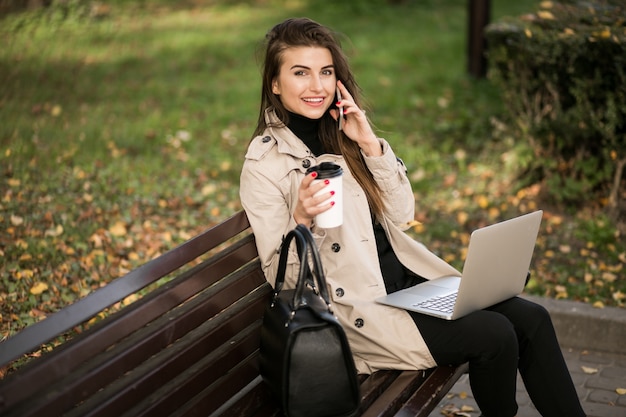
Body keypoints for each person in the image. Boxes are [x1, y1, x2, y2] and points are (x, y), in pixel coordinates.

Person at [239, 17, 586, 417]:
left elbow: (403, 214)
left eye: (326, 72)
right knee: (495, 335)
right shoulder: (265, 165)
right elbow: (281, 276)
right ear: (275, 84)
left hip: (407, 287)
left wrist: (369, 143)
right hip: (358, 313)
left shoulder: (342, 133)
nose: (317, 87)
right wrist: (302, 219)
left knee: (532, 318)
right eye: (301, 73)